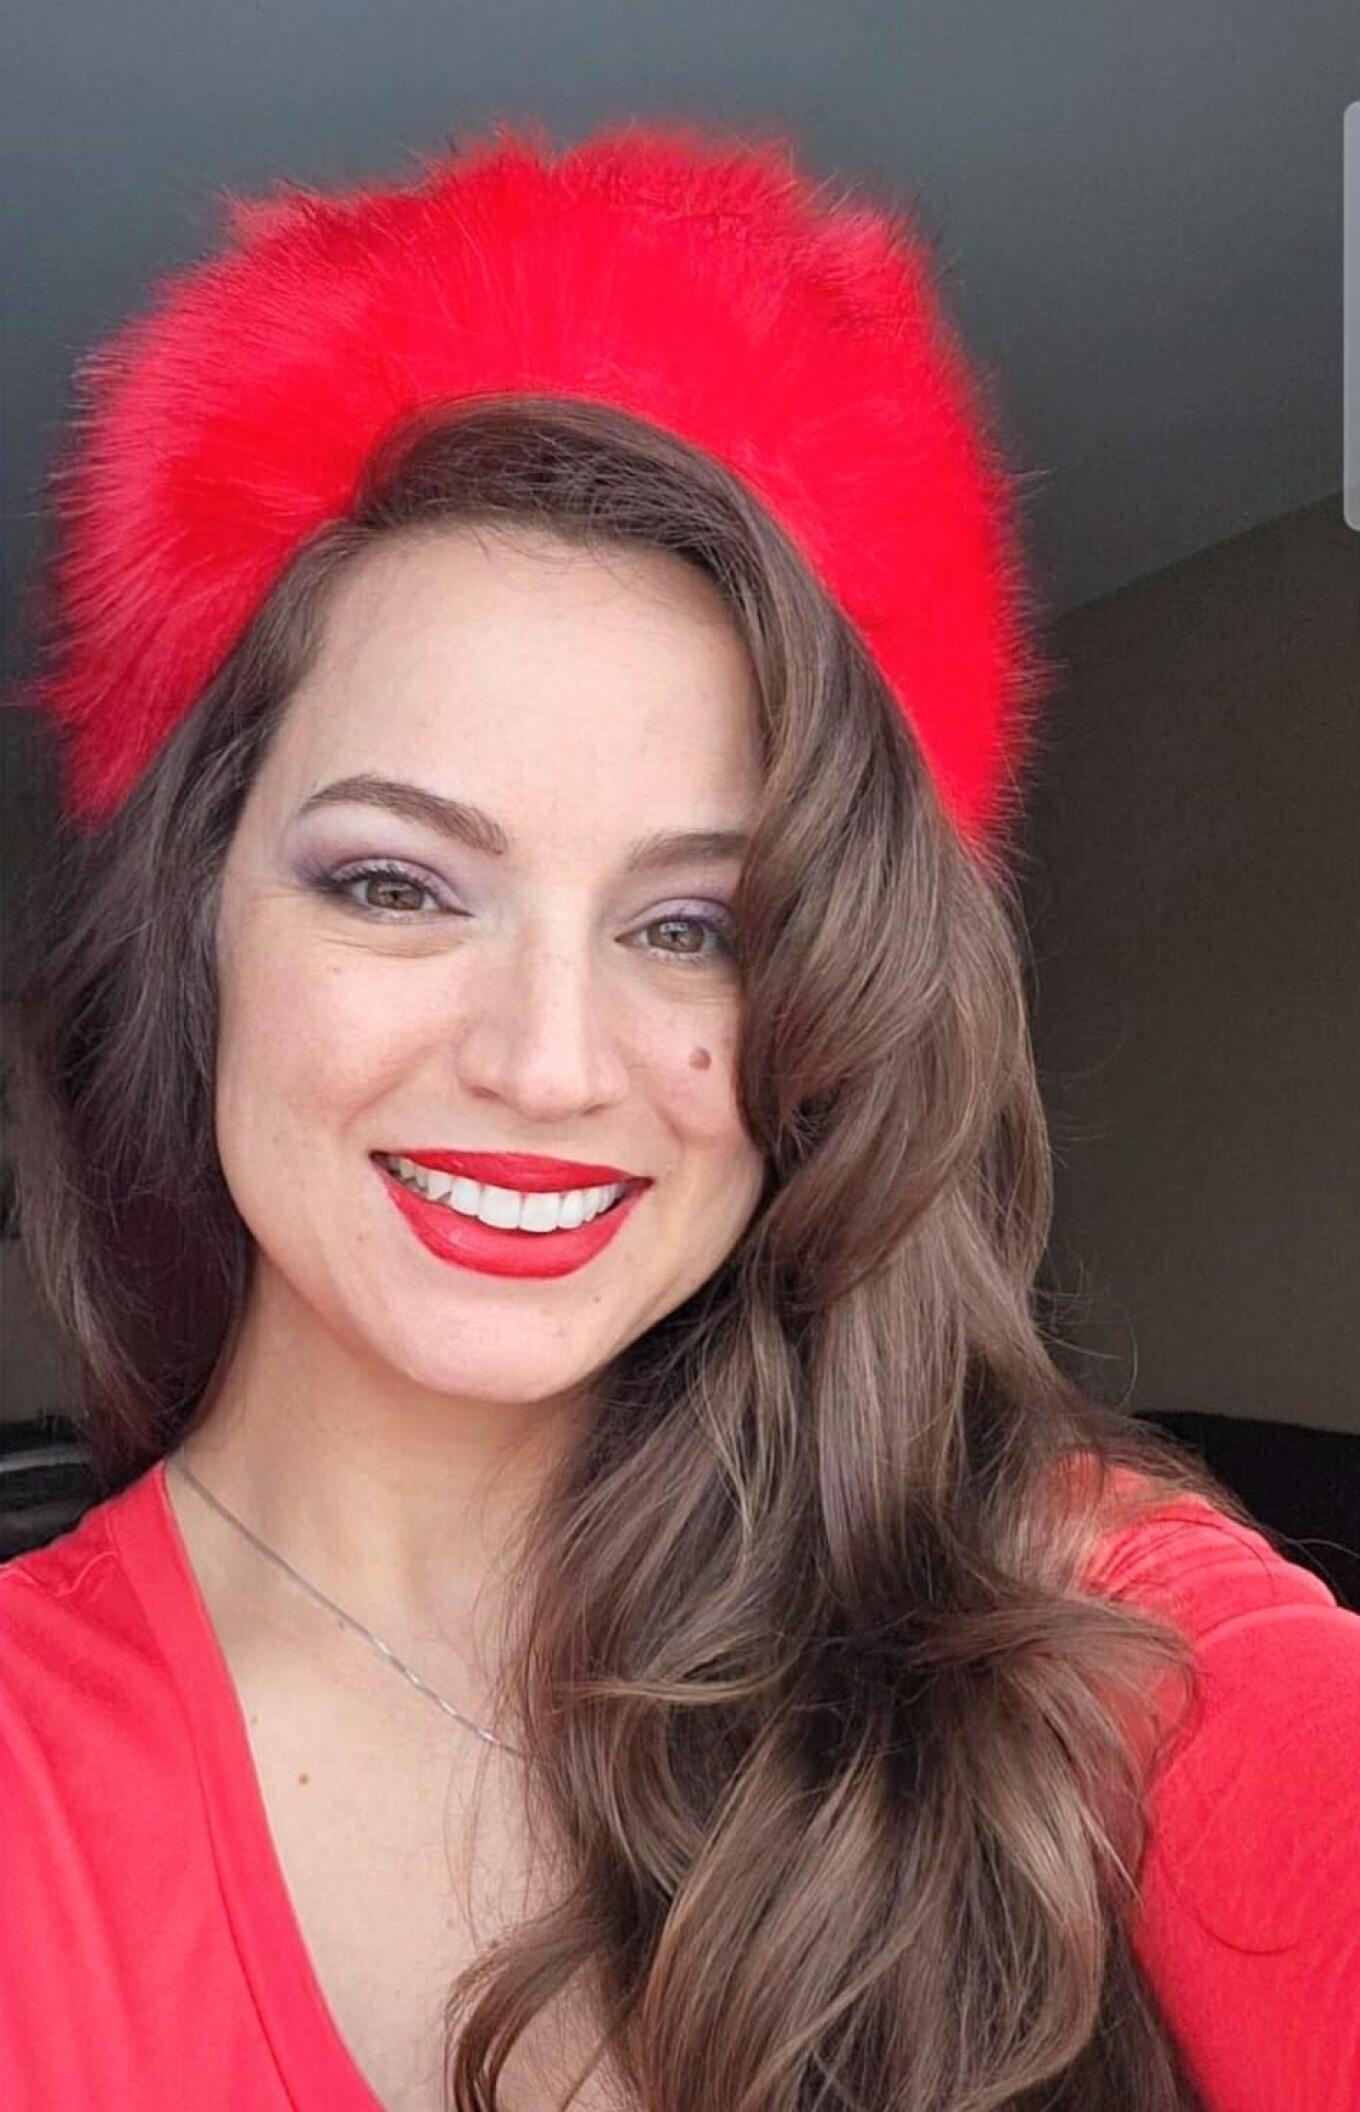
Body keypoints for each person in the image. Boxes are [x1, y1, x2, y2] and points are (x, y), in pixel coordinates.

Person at [1, 116, 1355, 2112]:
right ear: (198, 930)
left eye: (692, 927)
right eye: (397, 884)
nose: (551, 1062)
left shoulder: (1067, 1608)